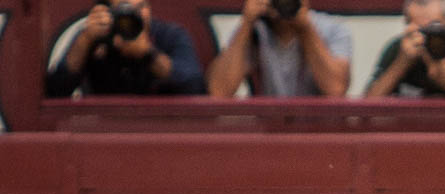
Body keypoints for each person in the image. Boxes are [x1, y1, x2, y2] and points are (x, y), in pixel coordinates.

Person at [45, 0, 205, 97]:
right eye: (125, 9)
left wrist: (148, 54)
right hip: (106, 128)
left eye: (141, 7)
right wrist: (84, 41)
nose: (135, 16)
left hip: (162, 127)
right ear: (107, 12)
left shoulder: (169, 35)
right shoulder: (96, 37)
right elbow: (57, 89)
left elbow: (194, 86)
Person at [207, 0, 351, 97]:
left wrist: (305, 28)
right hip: (269, 131)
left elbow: (336, 89)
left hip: (320, 131)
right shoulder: (255, 30)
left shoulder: (333, 29)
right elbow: (219, 91)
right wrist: (246, 23)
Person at [365, 0, 445, 102]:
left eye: (434, 29)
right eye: (418, 29)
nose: (426, 38)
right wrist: (401, 63)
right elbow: (366, 105)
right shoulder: (398, 49)